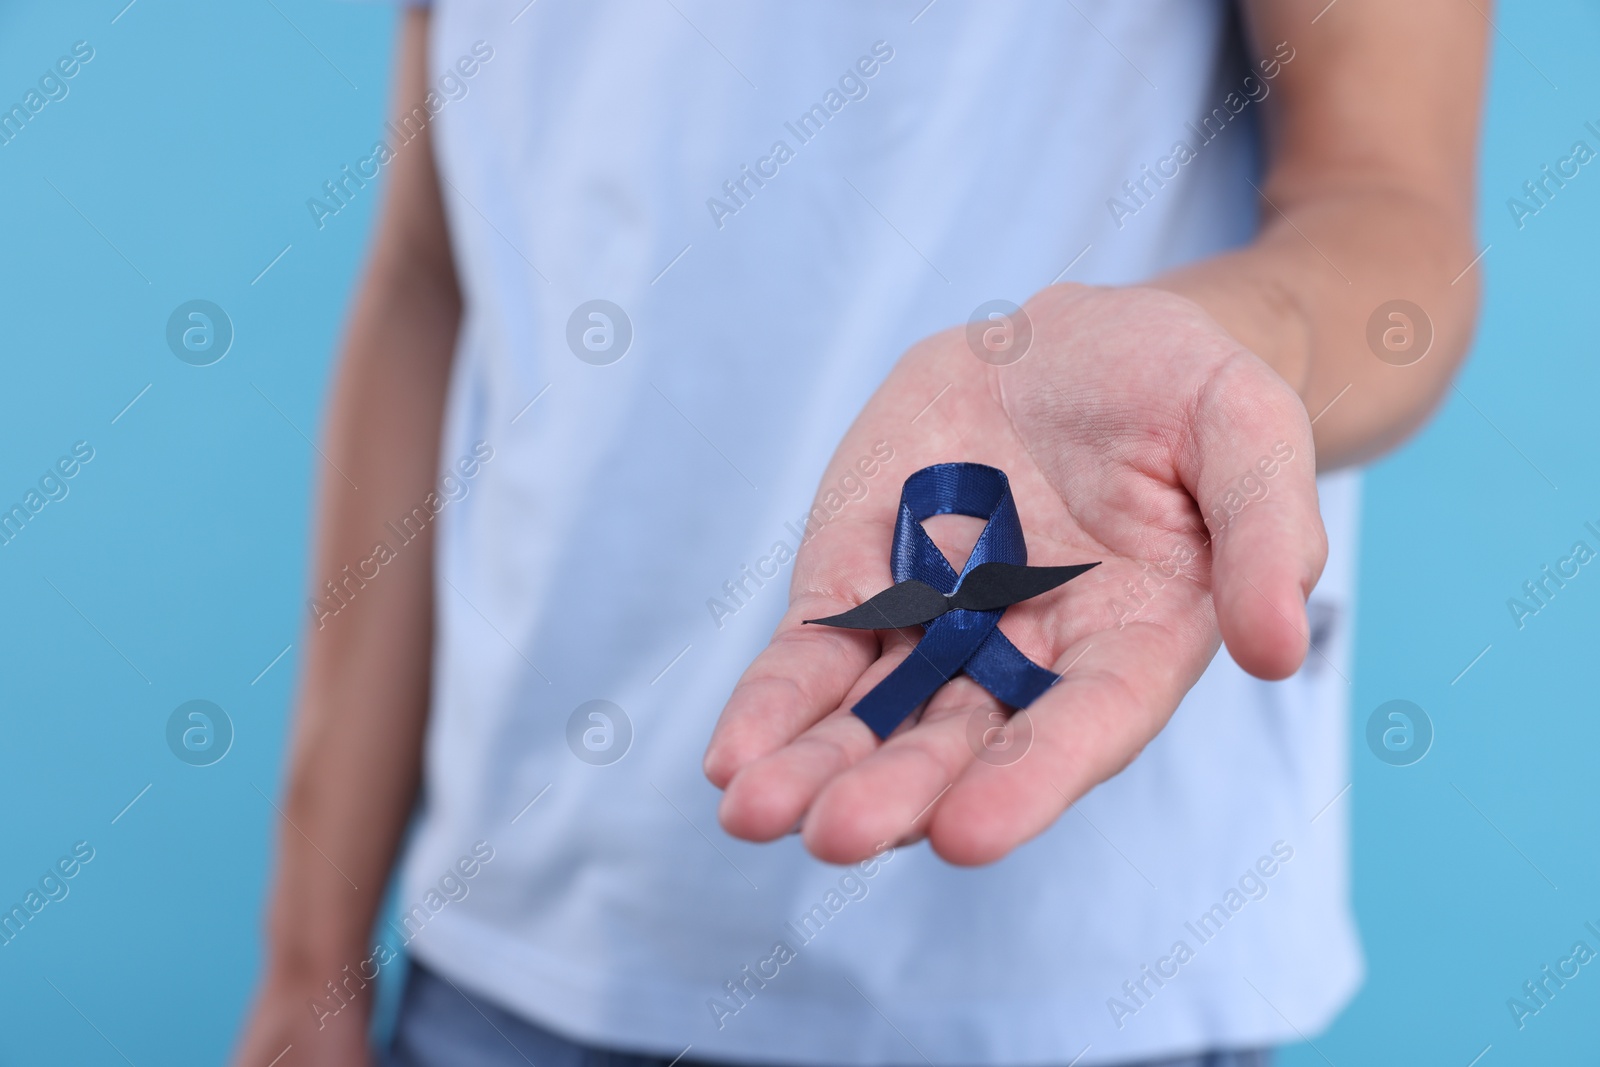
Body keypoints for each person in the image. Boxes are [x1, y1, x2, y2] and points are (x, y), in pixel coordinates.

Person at [233, 2, 1485, 1065]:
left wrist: (1218, 355)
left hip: (1079, 991)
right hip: (505, 958)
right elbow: (430, 275)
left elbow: (1388, 210)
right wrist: (309, 950)